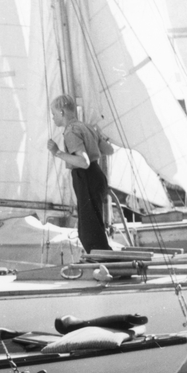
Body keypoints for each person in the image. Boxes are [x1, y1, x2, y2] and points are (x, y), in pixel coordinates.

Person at [47, 94, 114, 253]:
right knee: (92, 225)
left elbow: (83, 162)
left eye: (54, 114)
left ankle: (102, 258)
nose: (53, 118)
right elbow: (109, 150)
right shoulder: (88, 127)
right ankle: (104, 255)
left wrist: (57, 152)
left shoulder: (71, 131)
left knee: (88, 229)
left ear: (62, 112)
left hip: (86, 178)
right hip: (97, 176)